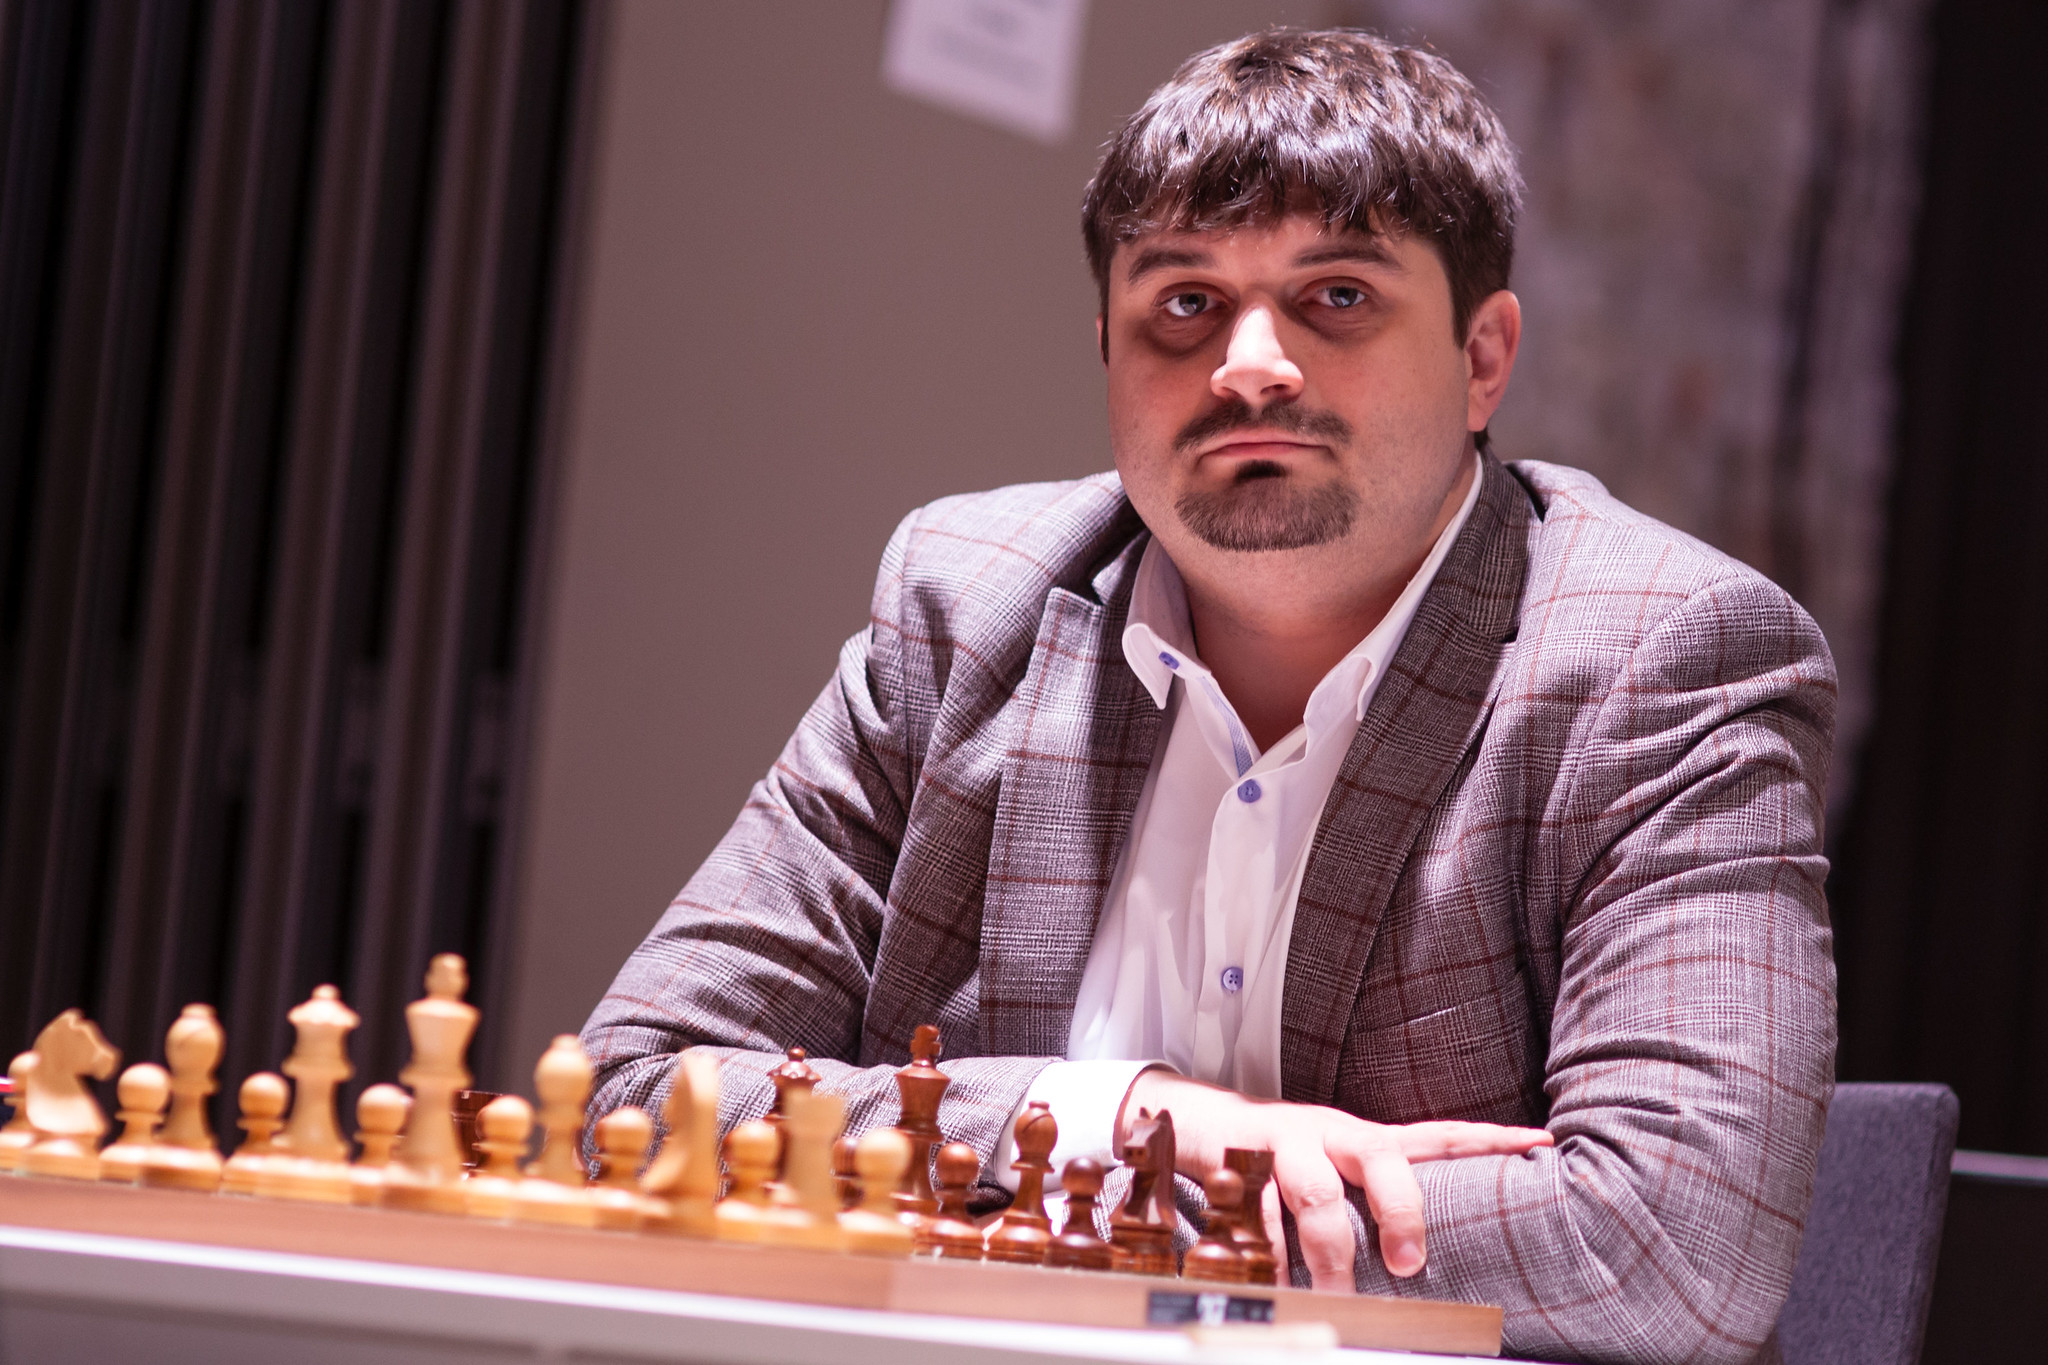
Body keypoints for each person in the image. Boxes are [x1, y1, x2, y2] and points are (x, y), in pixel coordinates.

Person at [582, 27, 1834, 1365]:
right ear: (1107, 354)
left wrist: (1040, 1199)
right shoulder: (964, 611)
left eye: (1336, 295)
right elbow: (627, 1100)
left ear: (1483, 358)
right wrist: (1135, 1121)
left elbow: (1680, 1248)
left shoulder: (1662, 658)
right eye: (1183, 302)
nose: (1248, 363)